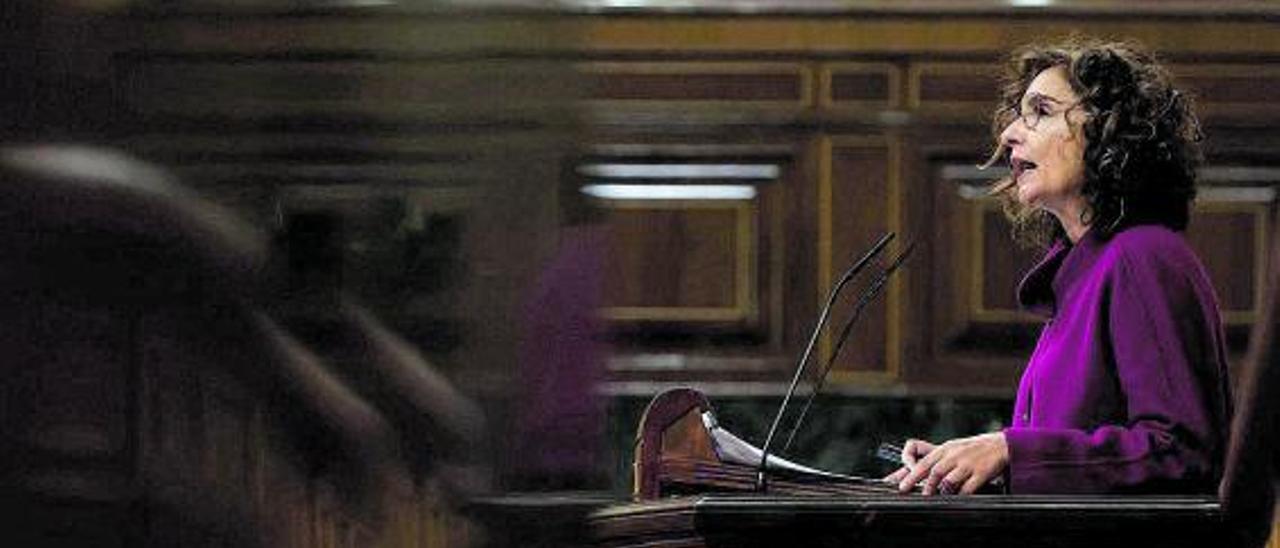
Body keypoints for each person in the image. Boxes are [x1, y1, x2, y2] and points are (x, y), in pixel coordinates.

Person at [885, 38, 1232, 495]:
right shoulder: (1083, 271)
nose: (1009, 133)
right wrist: (976, 465)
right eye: (1017, 114)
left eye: (1042, 111)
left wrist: (1012, 451)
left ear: (1111, 131)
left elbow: (1180, 452)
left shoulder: (1143, 257)